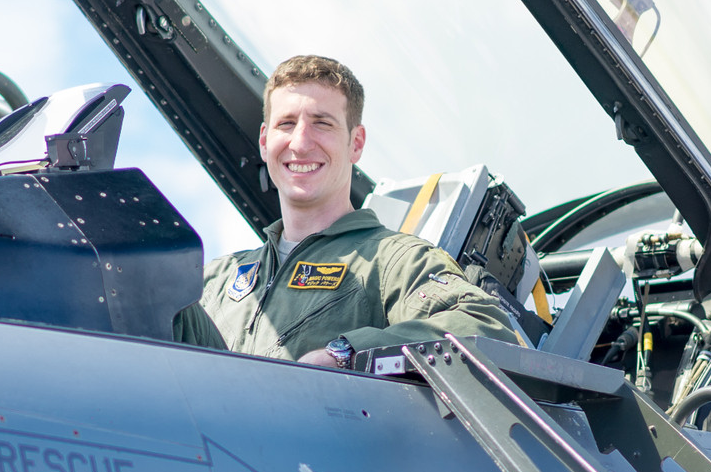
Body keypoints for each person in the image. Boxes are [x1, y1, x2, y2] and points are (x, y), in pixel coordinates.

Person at [173, 54, 518, 366]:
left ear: (356, 143)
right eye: (286, 124)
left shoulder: (392, 261)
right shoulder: (215, 280)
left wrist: (345, 353)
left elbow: (484, 326)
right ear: (264, 141)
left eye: (322, 123)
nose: (300, 143)